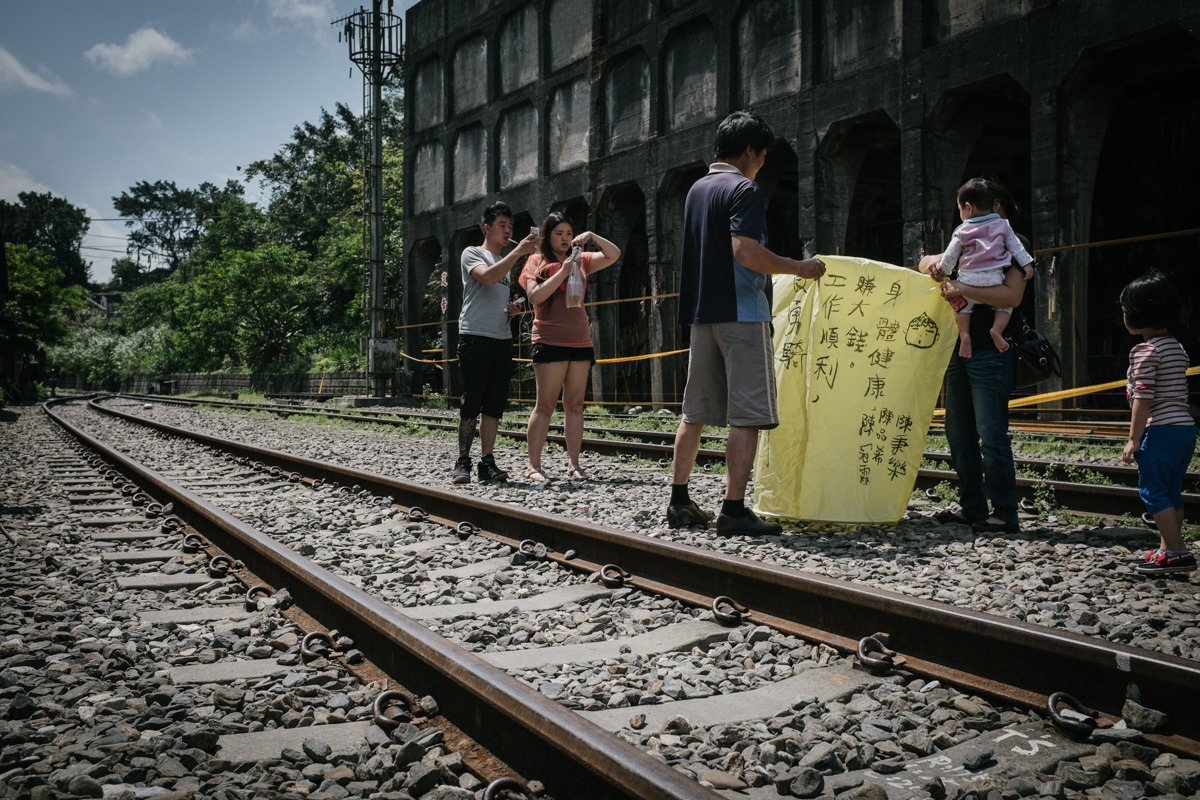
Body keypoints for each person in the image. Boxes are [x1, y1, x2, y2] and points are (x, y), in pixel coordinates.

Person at [667, 111, 827, 535]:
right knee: (748, 415)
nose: (762, 164)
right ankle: (733, 509)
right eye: (762, 156)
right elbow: (746, 252)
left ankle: (679, 501)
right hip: (742, 313)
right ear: (751, 152)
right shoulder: (744, 189)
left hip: (702, 316)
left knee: (695, 411)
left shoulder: (697, 191)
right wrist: (799, 266)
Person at [919, 179, 1030, 534]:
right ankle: (972, 507)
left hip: (990, 352)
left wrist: (961, 287)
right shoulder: (966, 235)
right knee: (958, 432)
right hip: (959, 349)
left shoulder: (1014, 243)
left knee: (991, 434)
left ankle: (1004, 512)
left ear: (994, 205)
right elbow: (927, 261)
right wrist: (932, 265)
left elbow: (1011, 296)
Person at [520, 212, 621, 482]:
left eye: (568, 233)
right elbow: (535, 296)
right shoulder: (536, 261)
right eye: (558, 234)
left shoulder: (582, 259)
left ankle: (574, 465)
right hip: (549, 339)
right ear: (547, 236)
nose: (564, 239)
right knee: (545, 406)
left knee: (575, 405)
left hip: (580, 339)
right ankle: (534, 466)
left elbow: (613, 255)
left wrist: (592, 237)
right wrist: (563, 270)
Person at [452, 201, 538, 484]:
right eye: (502, 226)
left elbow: (497, 289)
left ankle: (486, 461)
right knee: (472, 402)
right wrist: (518, 251)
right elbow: (487, 278)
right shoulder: (472, 253)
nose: (508, 230)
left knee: (494, 405)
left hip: (502, 337)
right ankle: (462, 460)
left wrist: (512, 306)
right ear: (487, 228)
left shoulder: (508, 264)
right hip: (475, 335)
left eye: (510, 227)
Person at [1119, 271, 1196, 574]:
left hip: (1160, 430)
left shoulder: (1145, 350)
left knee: (1153, 490)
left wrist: (1134, 439)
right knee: (1171, 488)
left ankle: (1178, 551)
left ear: (1137, 314)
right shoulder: (1176, 347)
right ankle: (1168, 548)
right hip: (1185, 430)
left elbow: (1144, 399)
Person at [929, 179, 1034, 359]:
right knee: (1004, 308)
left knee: (961, 308)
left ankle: (964, 335)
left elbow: (949, 256)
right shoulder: (1003, 227)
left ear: (968, 207)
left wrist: (944, 272)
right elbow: (1017, 249)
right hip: (993, 281)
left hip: (967, 281)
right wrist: (1027, 265)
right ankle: (997, 330)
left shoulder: (962, 230)